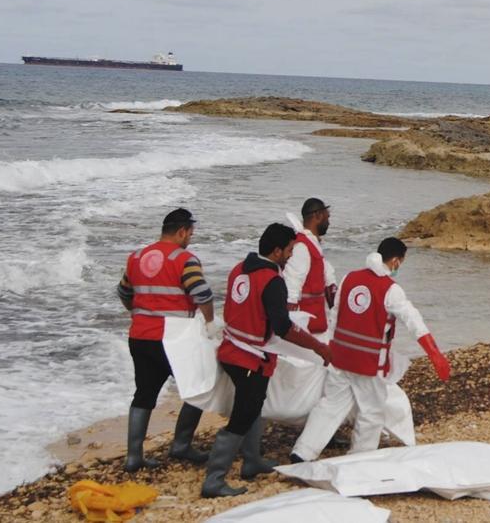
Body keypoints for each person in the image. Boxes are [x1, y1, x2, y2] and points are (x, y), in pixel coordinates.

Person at [290, 237, 451, 462]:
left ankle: (303, 452)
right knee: (371, 412)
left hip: (341, 357)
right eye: (400, 263)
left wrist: (330, 346)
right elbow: (413, 321)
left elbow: (335, 315)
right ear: (395, 260)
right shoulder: (391, 290)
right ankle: (360, 457)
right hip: (369, 362)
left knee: (329, 406)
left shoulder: (349, 278)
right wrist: (434, 354)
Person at [202, 223, 333, 498]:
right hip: (249, 357)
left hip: (230, 349)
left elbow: (240, 308)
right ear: (276, 251)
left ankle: (252, 461)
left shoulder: (240, 268)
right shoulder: (273, 281)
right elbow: (283, 326)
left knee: (255, 405)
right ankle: (214, 480)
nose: (289, 257)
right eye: (288, 251)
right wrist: (318, 347)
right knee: (242, 415)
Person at [117, 208, 215, 472]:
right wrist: (209, 323)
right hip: (174, 339)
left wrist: (137, 312)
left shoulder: (136, 257)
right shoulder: (185, 259)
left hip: (140, 335)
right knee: (195, 389)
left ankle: (133, 456)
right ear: (182, 231)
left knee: (144, 393)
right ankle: (181, 444)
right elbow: (203, 295)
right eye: (190, 234)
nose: (190, 239)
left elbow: (124, 292)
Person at [284, 198, 337, 335]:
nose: (328, 222)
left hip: (316, 324)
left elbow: (326, 278)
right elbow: (292, 285)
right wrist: (290, 328)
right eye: (327, 217)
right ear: (317, 215)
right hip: (305, 328)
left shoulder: (312, 244)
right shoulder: (302, 246)